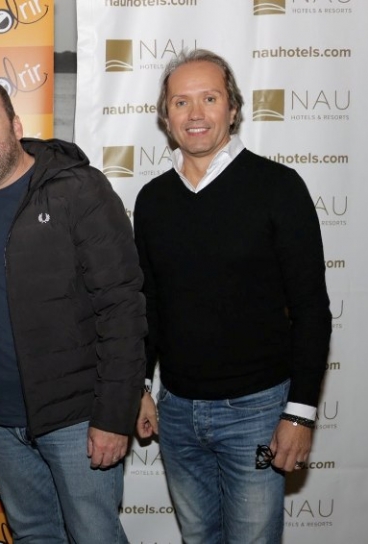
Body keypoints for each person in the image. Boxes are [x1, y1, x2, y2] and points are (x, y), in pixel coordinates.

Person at [134, 49, 332, 543]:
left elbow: (311, 308)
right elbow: (148, 305)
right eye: (181, 102)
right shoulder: (152, 200)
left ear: (234, 108)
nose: (195, 113)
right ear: (165, 117)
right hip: (176, 413)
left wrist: (300, 413)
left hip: (258, 414)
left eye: (209, 98)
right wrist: (138, 385)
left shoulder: (278, 187)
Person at [0, 76, 146, 543]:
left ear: (15, 125)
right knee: (33, 535)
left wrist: (114, 414)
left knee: (95, 536)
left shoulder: (77, 189)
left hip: (77, 419)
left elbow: (122, 307)